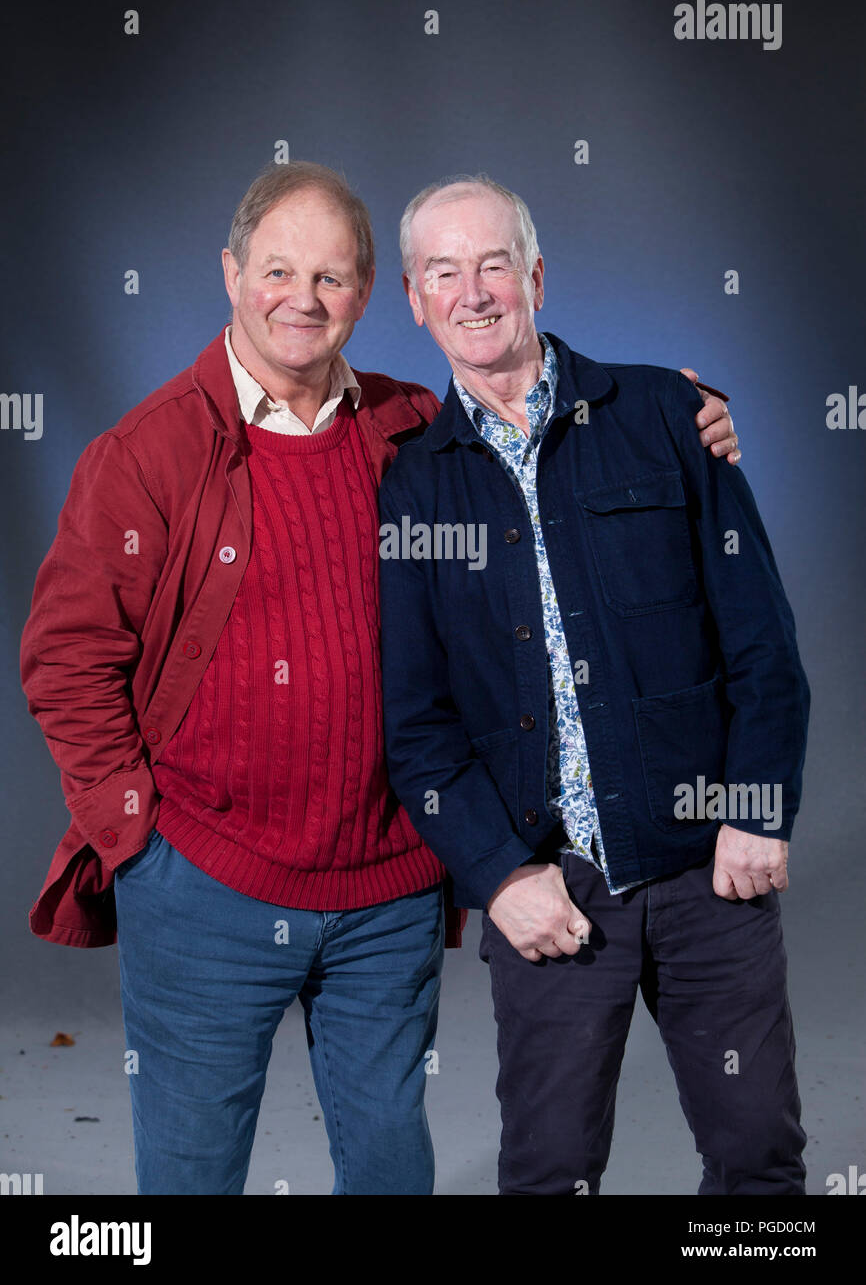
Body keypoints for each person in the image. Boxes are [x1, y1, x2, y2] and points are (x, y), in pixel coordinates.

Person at [20, 161, 736, 1197]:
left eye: (332, 277)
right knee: (190, 1172)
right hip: (206, 885)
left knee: (391, 1165)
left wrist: (684, 414)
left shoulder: (410, 427)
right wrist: (138, 840)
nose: (302, 299)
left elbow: (548, 438)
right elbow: (66, 657)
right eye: (278, 270)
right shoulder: (146, 453)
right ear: (231, 274)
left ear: (368, 294)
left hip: (385, 891)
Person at [378, 173, 808, 1196]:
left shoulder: (665, 414)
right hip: (548, 888)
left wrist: (756, 810)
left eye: (493, 264)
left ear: (535, 276)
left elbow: (762, 642)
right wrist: (499, 879)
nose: (473, 293)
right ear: (414, 298)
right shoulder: (413, 485)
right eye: (445, 272)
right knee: (549, 1173)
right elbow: (418, 727)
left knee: (757, 1155)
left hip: (708, 868)